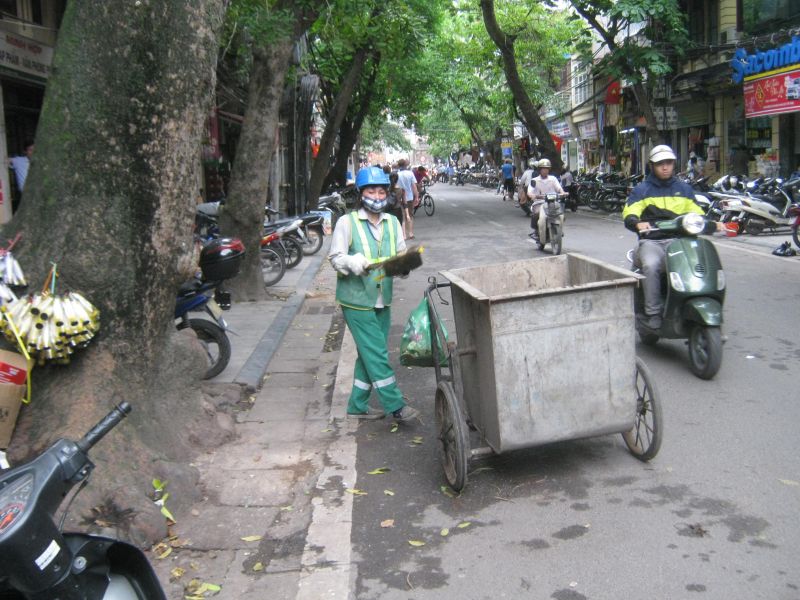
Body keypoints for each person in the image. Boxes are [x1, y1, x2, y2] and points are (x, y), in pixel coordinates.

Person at [328, 166, 419, 423]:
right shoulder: (347, 222)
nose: (377, 197)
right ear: (361, 193)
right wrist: (352, 262)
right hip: (356, 300)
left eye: (381, 192)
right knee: (377, 353)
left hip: (383, 298)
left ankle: (357, 405)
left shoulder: (392, 222)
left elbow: (399, 254)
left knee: (368, 353)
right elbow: (335, 257)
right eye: (371, 191)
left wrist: (404, 266)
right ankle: (395, 405)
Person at [623, 145, 723, 331]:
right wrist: (637, 223)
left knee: (700, 264)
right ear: (652, 166)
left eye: (668, 163)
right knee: (651, 265)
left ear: (673, 164)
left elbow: (697, 213)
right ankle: (653, 312)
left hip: (680, 241)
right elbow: (630, 213)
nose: (665, 167)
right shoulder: (642, 190)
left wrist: (711, 223)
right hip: (652, 241)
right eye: (660, 163)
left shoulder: (684, 189)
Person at [526, 158, 565, 243]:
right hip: (539, 202)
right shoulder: (534, 180)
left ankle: (558, 229)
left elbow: (559, 188)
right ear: (539, 169)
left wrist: (562, 193)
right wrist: (531, 195)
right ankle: (536, 231)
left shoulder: (553, 179)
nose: (545, 170)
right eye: (543, 169)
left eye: (547, 168)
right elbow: (530, 191)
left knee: (561, 213)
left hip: (553, 202)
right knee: (536, 214)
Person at [396, 158, 418, 239]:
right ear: (406, 165)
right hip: (409, 197)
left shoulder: (396, 175)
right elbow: (414, 186)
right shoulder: (410, 173)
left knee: (402, 216)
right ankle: (410, 233)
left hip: (399, 198)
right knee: (410, 215)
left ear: (398, 165)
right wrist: (416, 196)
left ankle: (403, 235)